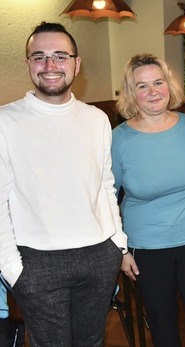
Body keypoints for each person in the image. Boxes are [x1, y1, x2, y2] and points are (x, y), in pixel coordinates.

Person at [0, 22, 126, 346]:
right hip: (37, 263)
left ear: (76, 64)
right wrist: (13, 270)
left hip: (99, 256)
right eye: (39, 57)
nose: (50, 66)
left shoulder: (97, 119)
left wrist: (118, 243)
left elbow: (105, 186)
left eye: (60, 56)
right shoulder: (5, 121)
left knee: (92, 342)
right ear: (28, 63)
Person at [112, 53, 185, 347]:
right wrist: (120, 249)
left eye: (158, 82)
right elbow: (106, 197)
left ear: (169, 84)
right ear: (131, 93)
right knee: (162, 326)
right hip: (146, 249)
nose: (153, 92)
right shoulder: (118, 139)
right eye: (142, 86)